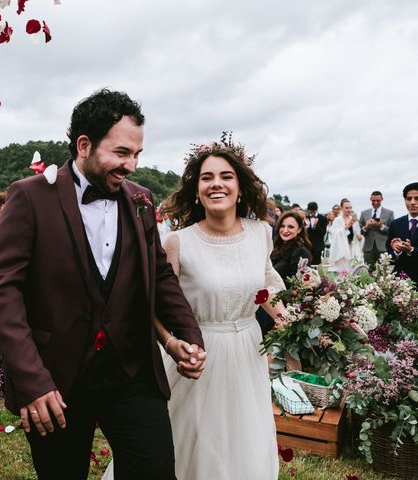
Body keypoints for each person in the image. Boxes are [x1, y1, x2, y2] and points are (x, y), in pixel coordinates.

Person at [0, 89, 205, 480]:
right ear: (84, 145)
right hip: (56, 380)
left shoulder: (141, 199)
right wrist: (33, 381)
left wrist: (187, 336)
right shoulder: (29, 196)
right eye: (122, 153)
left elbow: (158, 274)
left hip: (132, 371)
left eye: (138, 154)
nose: (133, 165)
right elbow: (3, 293)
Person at [106, 136, 287, 479]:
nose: (216, 184)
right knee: (192, 443)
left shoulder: (261, 232)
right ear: (196, 189)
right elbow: (151, 304)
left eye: (226, 176)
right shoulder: (178, 242)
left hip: (248, 350)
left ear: (240, 185)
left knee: (244, 438)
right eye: (207, 178)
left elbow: (269, 285)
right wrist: (170, 343)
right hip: (196, 356)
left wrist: (293, 321)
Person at [387, 182, 418, 292]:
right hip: (401, 285)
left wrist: (411, 250)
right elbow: (388, 255)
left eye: (417, 198)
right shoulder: (396, 224)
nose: (412, 202)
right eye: (409, 199)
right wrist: (396, 251)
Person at [272, 211, 312, 285]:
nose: (285, 230)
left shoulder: (301, 252)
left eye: (291, 227)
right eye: (282, 226)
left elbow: (298, 285)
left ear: (299, 229)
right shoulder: (276, 247)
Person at [359, 190, 394, 266]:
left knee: (384, 272)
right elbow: (359, 232)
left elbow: (392, 231)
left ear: (382, 199)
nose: (375, 202)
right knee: (368, 270)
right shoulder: (364, 213)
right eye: (373, 200)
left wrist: (381, 226)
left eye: (378, 200)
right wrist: (366, 226)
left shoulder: (389, 213)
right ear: (370, 199)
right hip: (368, 248)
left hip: (383, 247)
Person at [328, 198, 362, 272]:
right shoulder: (337, 220)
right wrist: (347, 226)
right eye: (346, 208)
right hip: (342, 250)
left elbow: (358, 233)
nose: (349, 210)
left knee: (353, 271)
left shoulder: (354, 220)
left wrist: (359, 237)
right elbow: (334, 234)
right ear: (342, 208)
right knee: (343, 272)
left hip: (352, 249)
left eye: (350, 207)